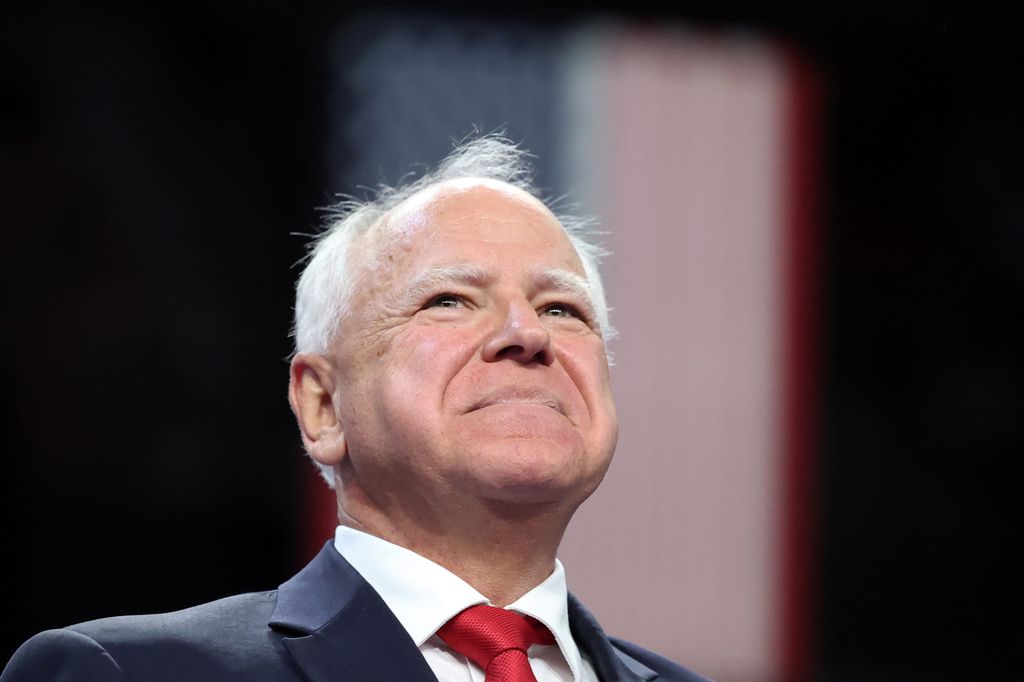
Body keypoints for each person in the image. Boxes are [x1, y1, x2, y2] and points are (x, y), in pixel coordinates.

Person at [2, 136, 708, 681]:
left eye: (562, 308)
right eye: (450, 301)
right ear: (322, 406)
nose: (527, 334)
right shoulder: (132, 674)